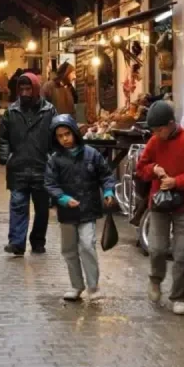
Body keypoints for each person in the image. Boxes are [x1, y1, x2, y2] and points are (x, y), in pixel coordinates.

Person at [135, 101, 184, 316]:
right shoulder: (154, 142)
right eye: (154, 131)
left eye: (159, 130)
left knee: (183, 253)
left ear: (170, 124)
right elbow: (141, 168)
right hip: (159, 203)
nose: (157, 134)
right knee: (157, 248)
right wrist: (153, 169)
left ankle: (178, 296)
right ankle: (156, 279)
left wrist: (177, 182)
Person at [45, 114, 116, 301]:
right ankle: (76, 285)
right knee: (68, 249)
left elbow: (106, 175)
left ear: (74, 132)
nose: (64, 139)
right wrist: (62, 198)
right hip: (67, 212)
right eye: (60, 136)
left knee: (87, 245)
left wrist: (109, 192)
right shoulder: (55, 160)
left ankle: (93, 286)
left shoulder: (92, 154)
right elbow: (50, 184)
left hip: (88, 210)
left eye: (67, 134)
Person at [0, 72, 58, 256]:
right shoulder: (12, 111)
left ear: (36, 89)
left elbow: (56, 136)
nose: (24, 92)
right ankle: (16, 242)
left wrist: (53, 158)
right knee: (18, 205)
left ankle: (38, 240)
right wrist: (5, 156)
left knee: (41, 209)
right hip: (19, 168)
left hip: (42, 167)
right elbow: (3, 137)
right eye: (21, 89)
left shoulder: (49, 111)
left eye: (28, 89)